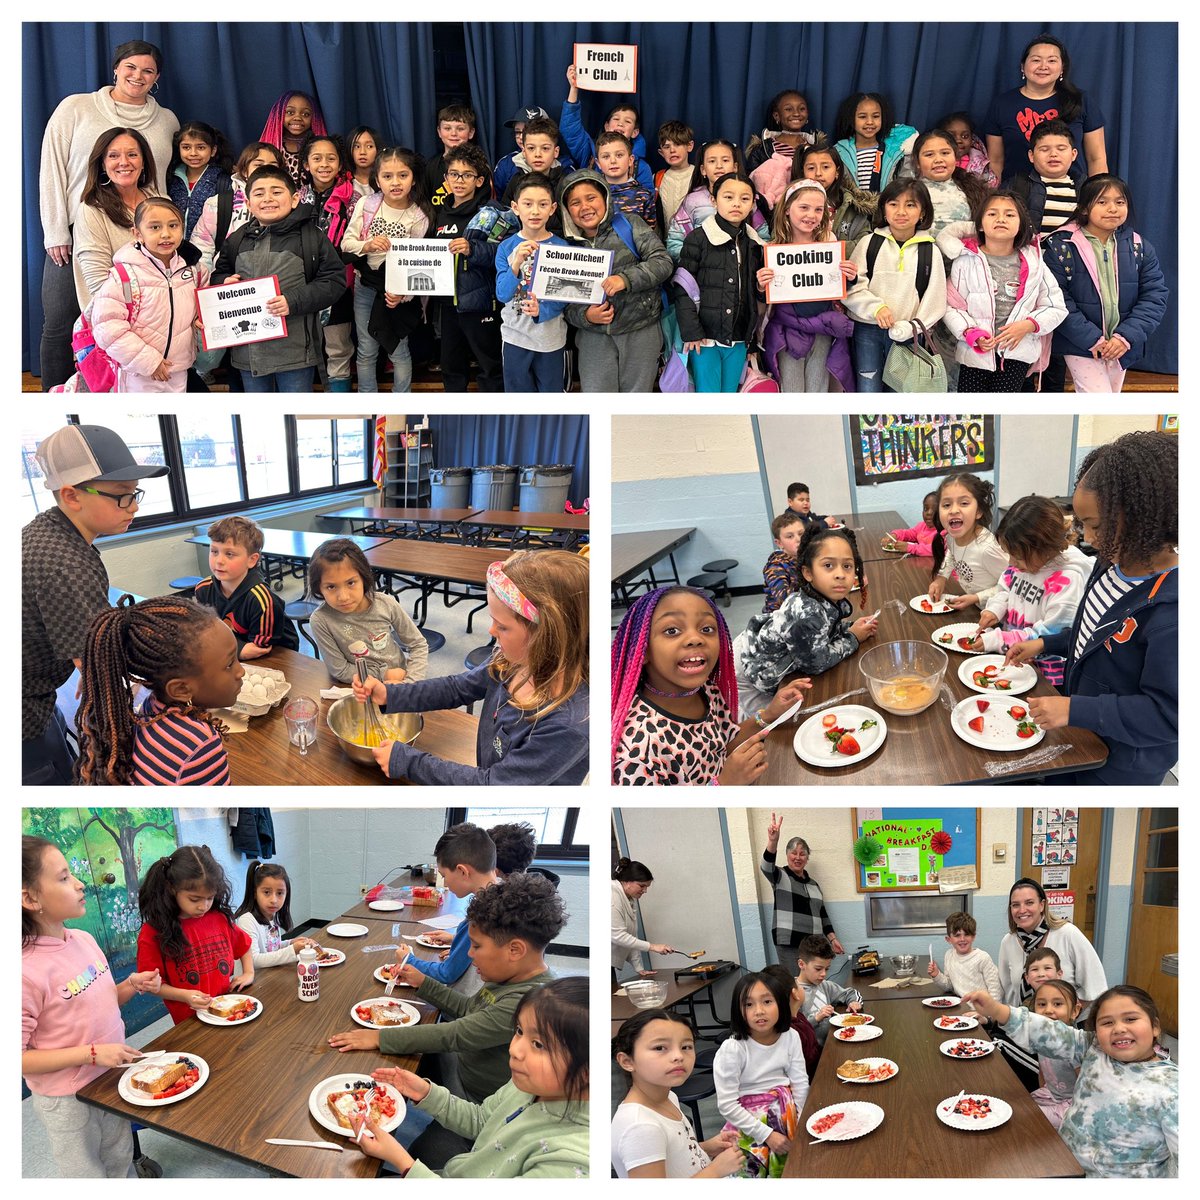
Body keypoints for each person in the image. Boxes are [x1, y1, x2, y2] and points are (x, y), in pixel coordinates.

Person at [1007, 432, 1177, 785]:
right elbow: (1092, 636)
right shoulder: (1109, 565)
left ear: (1146, 516)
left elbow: (1170, 714)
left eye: (1096, 526)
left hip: (1122, 767)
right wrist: (1047, 644)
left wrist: (1075, 708)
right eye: (1083, 525)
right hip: (1083, 736)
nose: (1088, 538)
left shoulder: (1174, 612)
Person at [352, 551, 589, 784]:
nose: (491, 631)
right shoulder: (511, 662)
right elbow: (457, 688)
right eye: (492, 620)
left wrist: (410, 763)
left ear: (549, 636)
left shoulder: (567, 727)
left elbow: (494, 785)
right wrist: (390, 694)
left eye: (503, 627)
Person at [328, 873, 562, 1104]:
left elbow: (454, 1034)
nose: (470, 954)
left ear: (515, 950)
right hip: (462, 1065)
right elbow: (470, 1008)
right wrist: (423, 982)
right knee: (401, 1061)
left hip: (475, 1100)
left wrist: (379, 1037)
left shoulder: (527, 1002)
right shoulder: (509, 976)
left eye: (477, 946)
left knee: (424, 1138)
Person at [22, 424, 168, 785]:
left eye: (135, 493)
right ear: (72, 495)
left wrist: (88, 660)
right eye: (121, 495)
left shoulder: (46, 530)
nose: (133, 506)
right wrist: (96, 667)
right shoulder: (65, 564)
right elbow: (101, 670)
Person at [38, 39, 178, 389]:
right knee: (60, 321)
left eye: (147, 70)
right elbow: (52, 168)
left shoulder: (166, 121)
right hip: (78, 228)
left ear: (157, 77)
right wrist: (55, 230)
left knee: (136, 322)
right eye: (130, 67)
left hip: (143, 234)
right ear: (116, 68)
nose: (138, 75)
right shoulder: (77, 108)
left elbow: (160, 182)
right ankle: (58, 394)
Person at [23, 836, 163, 1178]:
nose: (79, 882)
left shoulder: (83, 941)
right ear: (29, 898)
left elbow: (98, 1003)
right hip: (68, 1100)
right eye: (64, 877)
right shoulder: (24, 971)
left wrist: (130, 985)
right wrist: (91, 1053)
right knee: (86, 1175)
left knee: (120, 1160)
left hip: (109, 1079)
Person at [353, 978, 589, 1178]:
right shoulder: (529, 1085)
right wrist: (426, 1092)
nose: (515, 1049)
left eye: (538, 1044)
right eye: (519, 1031)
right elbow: (481, 1121)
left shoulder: (571, 1162)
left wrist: (403, 1163)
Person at [964, 984, 1175, 1177]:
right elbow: (1050, 1032)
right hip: (1062, 1159)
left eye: (1130, 1019)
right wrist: (997, 1010)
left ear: (1155, 1026)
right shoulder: (1094, 1047)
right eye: (1107, 1022)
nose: (1119, 1028)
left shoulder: (1172, 1087)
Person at [610, 585, 802, 785]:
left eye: (707, 629)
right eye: (672, 630)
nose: (695, 639)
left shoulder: (706, 690)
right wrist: (725, 784)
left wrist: (769, 714)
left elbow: (725, 744)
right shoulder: (637, 751)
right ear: (643, 650)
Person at [75, 596, 243, 786]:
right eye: (230, 664)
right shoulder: (199, 746)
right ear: (180, 689)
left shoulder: (150, 706)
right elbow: (223, 813)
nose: (241, 671)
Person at [211, 164, 348, 391]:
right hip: (248, 354)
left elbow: (334, 281)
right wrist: (224, 283)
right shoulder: (237, 239)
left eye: (276, 192)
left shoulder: (312, 237)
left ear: (295, 199)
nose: (268, 199)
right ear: (247, 204)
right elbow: (219, 275)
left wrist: (292, 301)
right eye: (259, 193)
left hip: (295, 353)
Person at [734, 525, 876, 720]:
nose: (840, 574)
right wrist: (853, 637)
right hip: (750, 667)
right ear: (808, 573)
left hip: (767, 654)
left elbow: (824, 629)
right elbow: (816, 663)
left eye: (847, 566)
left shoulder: (823, 596)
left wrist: (848, 627)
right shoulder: (806, 614)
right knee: (772, 724)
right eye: (828, 565)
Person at [1044, 176, 1168, 393]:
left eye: (1120, 202)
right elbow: (1055, 298)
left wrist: (1125, 338)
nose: (1112, 208)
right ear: (1083, 208)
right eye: (1102, 202)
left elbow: (1154, 296)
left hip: (1123, 346)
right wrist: (1093, 340)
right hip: (1082, 345)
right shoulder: (1061, 246)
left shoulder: (1139, 246)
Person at [937, 191, 1067, 393]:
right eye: (992, 214)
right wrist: (970, 332)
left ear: (1021, 225)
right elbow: (950, 306)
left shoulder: (1035, 263)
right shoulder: (965, 260)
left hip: (1016, 354)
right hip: (975, 353)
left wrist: (1028, 325)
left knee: (1001, 413)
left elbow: (1056, 306)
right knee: (971, 414)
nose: (1001, 219)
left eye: (1009, 215)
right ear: (979, 225)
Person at [559, 169, 672, 393]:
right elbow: (563, 303)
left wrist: (625, 279)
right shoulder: (564, 247)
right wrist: (586, 316)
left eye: (591, 198)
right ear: (566, 210)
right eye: (575, 203)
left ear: (605, 198)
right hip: (594, 338)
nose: (585, 207)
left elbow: (663, 262)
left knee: (635, 403)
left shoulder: (629, 224)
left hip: (640, 330)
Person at [991, 877, 1108, 1088]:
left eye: (1029, 902)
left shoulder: (1067, 934)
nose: (1022, 910)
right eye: (1015, 905)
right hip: (1026, 1026)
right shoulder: (1008, 942)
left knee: (1001, 1051)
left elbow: (1096, 987)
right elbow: (1006, 989)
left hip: (1067, 1029)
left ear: (1042, 905)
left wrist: (1061, 1018)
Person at [964, 494, 1093, 685]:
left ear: (1045, 547)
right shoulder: (1023, 562)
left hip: (1047, 676)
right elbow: (1005, 589)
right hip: (1016, 660)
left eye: (1016, 557)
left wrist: (999, 639)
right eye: (1010, 555)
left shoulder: (1067, 579)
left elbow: (1052, 635)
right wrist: (995, 609)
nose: (1011, 562)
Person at [612, 1009, 747, 1178]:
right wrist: (715, 1170)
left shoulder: (668, 1096)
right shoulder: (640, 1127)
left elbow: (671, 1157)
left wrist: (705, 1147)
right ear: (627, 1061)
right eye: (660, 1048)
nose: (678, 1056)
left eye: (686, 1047)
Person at [341, 146, 432, 393]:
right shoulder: (366, 205)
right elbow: (346, 243)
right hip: (366, 286)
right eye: (387, 176)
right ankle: (367, 399)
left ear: (413, 178)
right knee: (366, 348)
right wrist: (367, 244)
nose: (395, 182)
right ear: (377, 178)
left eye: (403, 175)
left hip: (398, 292)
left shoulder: (419, 215)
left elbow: (419, 264)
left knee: (399, 349)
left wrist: (404, 294)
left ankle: (401, 399)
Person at [843, 177, 947, 393]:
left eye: (910, 205)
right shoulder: (869, 243)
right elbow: (851, 287)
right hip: (867, 331)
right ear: (884, 209)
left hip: (908, 335)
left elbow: (935, 300)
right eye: (893, 204)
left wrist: (911, 327)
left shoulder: (930, 251)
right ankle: (869, 428)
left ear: (923, 212)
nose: (901, 211)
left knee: (901, 392)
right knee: (868, 388)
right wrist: (876, 308)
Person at [91, 198, 203, 392]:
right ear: (137, 234)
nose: (166, 234)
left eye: (173, 225)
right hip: (138, 374)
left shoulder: (194, 272)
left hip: (178, 370)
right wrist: (149, 362)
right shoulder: (124, 277)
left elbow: (203, 305)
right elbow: (107, 327)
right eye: (155, 227)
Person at [672, 171, 768, 392]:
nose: (736, 204)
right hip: (705, 339)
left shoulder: (755, 244)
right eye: (728, 197)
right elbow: (682, 287)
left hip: (738, 338)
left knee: (730, 395)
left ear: (752, 204)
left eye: (744, 199)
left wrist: (751, 339)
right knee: (710, 398)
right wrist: (692, 332)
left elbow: (755, 296)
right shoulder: (697, 238)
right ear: (714, 200)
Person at [136, 845, 254, 1023]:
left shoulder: (218, 918)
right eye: (194, 899)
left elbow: (244, 945)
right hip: (189, 1021)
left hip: (226, 1012)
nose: (203, 906)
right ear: (172, 889)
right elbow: (152, 985)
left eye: (209, 898)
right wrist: (185, 995)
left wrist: (249, 972)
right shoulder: (153, 932)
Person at [760, 179, 858, 391]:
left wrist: (849, 277)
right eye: (804, 207)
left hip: (823, 329)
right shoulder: (774, 249)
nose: (811, 215)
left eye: (818, 209)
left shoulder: (830, 244)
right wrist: (761, 285)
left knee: (818, 391)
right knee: (792, 393)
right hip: (787, 332)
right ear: (787, 209)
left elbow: (837, 288)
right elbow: (765, 299)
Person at [713, 971, 808, 1178]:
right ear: (738, 1010)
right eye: (748, 1005)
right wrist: (767, 1135)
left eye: (767, 1001)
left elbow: (800, 1083)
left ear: (780, 1004)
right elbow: (727, 1105)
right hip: (749, 1123)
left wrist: (799, 1123)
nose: (758, 1011)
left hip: (786, 1113)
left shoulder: (790, 1036)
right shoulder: (733, 1049)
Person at [428, 141, 505, 392]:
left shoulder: (491, 213)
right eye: (454, 174)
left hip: (480, 303)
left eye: (467, 175)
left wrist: (473, 249)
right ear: (446, 178)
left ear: (479, 181)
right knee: (451, 367)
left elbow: (504, 254)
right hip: (447, 305)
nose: (459, 180)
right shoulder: (439, 213)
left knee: (490, 367)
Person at [983, 35, 1107, 184]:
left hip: (1072, 196)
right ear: (1023, 66)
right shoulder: (1002, 104)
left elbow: (1097, 159)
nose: (1043, 66)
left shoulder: (1081, 100)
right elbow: (996, 161)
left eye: (1052, 60)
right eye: (1036, 60)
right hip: (1017, 197)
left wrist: (1096, 198)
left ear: (1062, 68)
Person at [307, 537, 428, 684]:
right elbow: (341, 670)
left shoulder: (385, 604)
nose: (343, 597)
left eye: (351, 583)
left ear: (364, 578)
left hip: (401, 678)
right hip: (360, 686)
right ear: (318, 588)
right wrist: (384, 675)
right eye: (331, 587)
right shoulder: (321, 620)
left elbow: (418, 644)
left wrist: (410, 683)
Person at [393, 824, 498, 992]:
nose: (445, 882)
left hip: (463, 1003)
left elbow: (447, 973)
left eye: (444, 876)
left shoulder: (482, 914)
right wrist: (456, 938)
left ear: (463, 871)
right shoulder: (501, 899)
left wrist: (409, 960)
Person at [72, 126, 163, 310]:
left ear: (144, 161)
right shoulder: (91, 210)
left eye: (132, 154)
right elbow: (99, 284)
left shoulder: (161, 201)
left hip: (164, 314)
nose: (124, 162)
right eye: (113, 156)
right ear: (103, 165)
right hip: (118, 317)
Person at [494, 173, 570, 391]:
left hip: (551, 340)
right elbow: (502, 294)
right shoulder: (506, 248)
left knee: (551, 398)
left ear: (552, 208)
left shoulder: (561, 247)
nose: (535, 211)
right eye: (528, 204)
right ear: (516, 208)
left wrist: (542, 310)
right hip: (515, 338)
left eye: (543, 204)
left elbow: (566, 296)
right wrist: (517, 261)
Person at [296, 133, 357, 391]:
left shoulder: (353, 200)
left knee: (338, 346)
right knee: (302, 344)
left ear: (340, 164)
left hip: (337, 284)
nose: (324, 164)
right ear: (306, 165)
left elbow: (357, 241)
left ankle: (339, 398)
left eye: (331, 158)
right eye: (317, 158)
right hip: (300, 283)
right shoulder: (294, 199)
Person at [193, 516, 298, 658]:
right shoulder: (203, 589)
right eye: (214, 551)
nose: (219, 561)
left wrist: (235, 649)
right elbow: (204, 632)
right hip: (232, 651)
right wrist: (239, 649)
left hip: (277, 656)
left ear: (251, 560)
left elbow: (258, 649)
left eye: (229, 554)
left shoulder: (261, 600)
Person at [759, 816, 846, 974]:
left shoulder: (814, 885)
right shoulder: (780, 875)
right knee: (796, 985)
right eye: (794, 853)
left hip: (814, 944)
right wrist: (773, 841)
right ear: (787, 855)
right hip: (789, 943)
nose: (798, 857)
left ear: (807, 859)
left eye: (802, 854)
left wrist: (833, 939)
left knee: (815, 982)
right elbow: (766, 866)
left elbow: (823, 916)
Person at [665, 139, 767, 261]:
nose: (719, 166)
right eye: (712, 161)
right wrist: (697, 262)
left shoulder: (748, 198)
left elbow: (764, 240)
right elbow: (675, 242)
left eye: (725, 160)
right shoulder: (693, 202)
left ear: (735, 167)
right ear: (703, 170)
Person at [561, 64, 654, 190]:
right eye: (616, 119)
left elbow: (647, 203)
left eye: (627, 121)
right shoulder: (589, 153)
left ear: (635, 132)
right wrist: (573, 88)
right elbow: (570, 130)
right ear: (606, 126)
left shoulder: (641, 168)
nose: (620, 123)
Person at [926, 473, 1009, 609]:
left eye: (964, 503)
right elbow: (952, 554)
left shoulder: (986, 548)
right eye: (946, 505)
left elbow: (1014, 582)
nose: (953, 510)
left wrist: (978, 597)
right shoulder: (952, 537)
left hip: (1000, 617)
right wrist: (941, 578)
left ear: (979, 511)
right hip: (977, 609)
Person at [791, 141, 876, 253]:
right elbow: (777, 240)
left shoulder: (853, 206)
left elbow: (865, 244)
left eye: (825, 167)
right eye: (811, 168)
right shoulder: (790, 203)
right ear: (803, 172)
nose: (818, 173)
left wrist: (829, 249)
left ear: (837, 172)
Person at [233, 860, 319, 968]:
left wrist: (290, 943)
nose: (274, 900)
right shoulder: (246, 920)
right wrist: (292, 950)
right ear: (255, 893)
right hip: (252, 983)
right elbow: (253, 960)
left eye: (280, 893)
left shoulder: (271, 916)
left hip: (267, 976)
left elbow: (272, 948)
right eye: (267, 892)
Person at [909, 128, 991, 239]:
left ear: (956, 157)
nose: (938, 159)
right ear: (917, 162)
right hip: (922, 253)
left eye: (945, 153)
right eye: (929, 155)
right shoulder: (908, 192)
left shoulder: (974, 189)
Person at [831, 92, 918, 195]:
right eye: (862, 117)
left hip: (886, 207)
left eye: (876, 116)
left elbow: (906, 185)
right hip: (850, 209)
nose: (870, 122)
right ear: (851, 119)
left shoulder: (894, 152)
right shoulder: (840, 152)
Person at [747, 89, 822, 206]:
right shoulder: (762, 150)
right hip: (773, 212)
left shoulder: (817, 149)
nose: (796, 113)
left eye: (801, 109)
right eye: (788, 109)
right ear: (777, 115)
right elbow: (752, 183)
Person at [1027, 977, 1083, 1129]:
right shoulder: (1041, 1039)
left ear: (1075, 1011)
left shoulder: (1074, 1044)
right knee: (1018, 1106)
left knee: (1028, 1119)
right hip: (1050, 1094)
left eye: (1057, 1004)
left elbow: (1086, 1086)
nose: (1048, 1010)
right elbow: (1042, 1072)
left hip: (1073, 1105)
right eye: (1042, 1004)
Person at [611, 859, 674, 985]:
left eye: (647, 887)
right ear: (628, 881)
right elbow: (618, 936)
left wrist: (639, 968)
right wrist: (653, 947)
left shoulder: (629, 897)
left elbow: (630, 935)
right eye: (642, 886)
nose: (645, 891)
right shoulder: (611, 896)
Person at [165, 120, 233, 238]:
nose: (193, 153)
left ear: (213, 151)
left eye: (200, 147)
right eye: (186, 147)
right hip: (173, 249)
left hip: (208, 250)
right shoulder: (170, 179)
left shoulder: (223, 182)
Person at [795, 934, 863, 1046]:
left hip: (830, 1045)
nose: (823, 974)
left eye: (827, 969)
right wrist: (817, 1018)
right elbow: (794, 1030)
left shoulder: (825, 986)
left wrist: (854, 1002)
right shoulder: (792, 992)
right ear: (801, 964)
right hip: (810, 1054)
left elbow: (850, 993)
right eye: (818, 969)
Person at [759, 964, 821, 1080]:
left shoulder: (798, 1017)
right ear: (795, 993)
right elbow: (810, 1064)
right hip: (812, 1084)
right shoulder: (795, 1031)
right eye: (797, 983)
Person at [424, 102, 488, 209]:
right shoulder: (431, 167)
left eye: (460, 129)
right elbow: (425, 204)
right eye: (447, 128)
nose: (453, 133)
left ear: (471, 132)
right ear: (439, 132)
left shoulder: (481, 167)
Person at [927, 911, 1002, 1000]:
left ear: (973, 936)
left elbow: (996, 992)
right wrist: (937, 975)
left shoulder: (983, 958)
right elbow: (950, 986)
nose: (962, 939)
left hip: (982, 1011)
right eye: (957, 935)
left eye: (967, 934)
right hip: (961, 1007)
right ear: (948, 939)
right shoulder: (949, 955)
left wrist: (985, 1013)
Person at [259, 90, 326, 186]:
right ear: (279, 115)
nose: (297, 117)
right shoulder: (271, 146)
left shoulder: (316, 146)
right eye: (290, 112)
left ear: (314, 118)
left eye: (306, 114)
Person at [593, 132, 656, 225]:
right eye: (606, 156)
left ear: (630, 160)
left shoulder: (644, 196)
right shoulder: (592, 194)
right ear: (598, 164)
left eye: (619, 155)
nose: (613, 161)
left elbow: (649, 235)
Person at [934, 110, 998, 188]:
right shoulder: (935, 162)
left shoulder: (981, 164)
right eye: (952, 136)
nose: (958, 140)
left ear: (972, 140)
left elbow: (990, 187)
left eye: (965, 136)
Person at [654, 120, 695, 236]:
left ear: (689, 146)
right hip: (665, 245)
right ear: (661, 153)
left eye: (677, 144)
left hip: (694, 246)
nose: (672, 150)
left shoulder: (700, 176)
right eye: (667, 147)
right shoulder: (657, 178)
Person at [762, 510, 805, 612]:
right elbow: (785, 600)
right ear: (779, 543)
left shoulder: (806, 557)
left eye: (801, 534)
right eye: (790, 536)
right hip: (780, 618)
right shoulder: (775, 566)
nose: (798, 539)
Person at [884, 491, 938, 557]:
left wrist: (910, 548)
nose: (929, 513)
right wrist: (895, 535)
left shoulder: (945, 532)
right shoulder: (922, 526)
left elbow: (936, 549)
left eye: (935, 509)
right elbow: (909, 533)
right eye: (926, 509)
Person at [347, 125, 383, 198]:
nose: (362, 152)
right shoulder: (344, 182)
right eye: (357, 146)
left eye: (369, 146)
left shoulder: (384, 180)